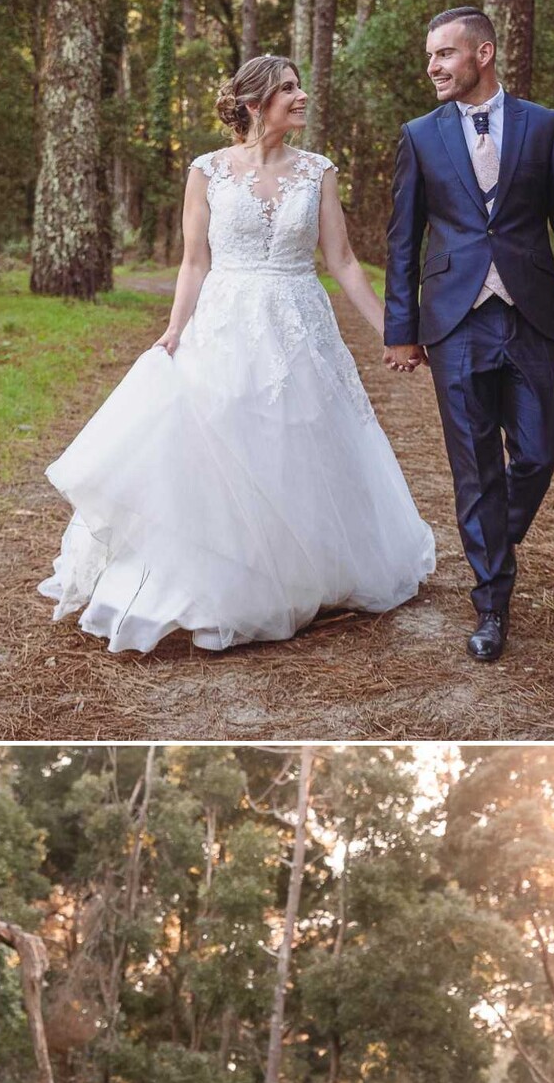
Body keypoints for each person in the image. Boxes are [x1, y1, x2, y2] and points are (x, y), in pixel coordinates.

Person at [38, 57, 434, 654]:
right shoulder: (207, 171)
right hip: (225, 321)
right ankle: (232, 579)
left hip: (300, 321)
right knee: (224, 444)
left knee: (302, 444)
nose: (302, 97)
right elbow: (194, 260)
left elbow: (344, 261)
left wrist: (392, 329)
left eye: (300, 87)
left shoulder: (318, 171)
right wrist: (175, 331)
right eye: (288, 90)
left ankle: (305, 571)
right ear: (254, 104)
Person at [383, 8, 554, 664]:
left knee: (540, 451)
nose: (434, 67)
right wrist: (402, 327)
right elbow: (403, 241)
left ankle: (489, 542)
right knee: (474, 466)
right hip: (454, 319)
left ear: (483, 53)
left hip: (529, 312)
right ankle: (491, 604)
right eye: (430, 57)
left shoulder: (546, 127)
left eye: (446, 54)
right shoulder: (420, 137)